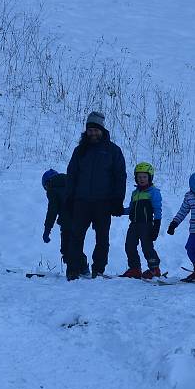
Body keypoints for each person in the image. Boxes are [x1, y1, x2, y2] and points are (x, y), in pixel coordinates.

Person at [65, 111, 127, 280]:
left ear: (102, 130)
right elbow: (72, 175)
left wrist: (117, 200)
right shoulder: (80, 151)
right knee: (76, 236)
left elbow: (120, 176)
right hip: (81, 201)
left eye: (95, 130)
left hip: (103, 203)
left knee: (102, 238)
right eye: (89, 130)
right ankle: (73, 269)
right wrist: (69, 197)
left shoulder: (113, 151)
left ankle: (98, 269)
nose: (92, 133)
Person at [120, 162, 163, 279]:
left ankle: (155, 269)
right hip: (134, 225)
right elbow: (131, 209)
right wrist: (119, 211)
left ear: (150, 177)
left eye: (144, 177)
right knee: (129, 246)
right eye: (139, 177)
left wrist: (156, 226)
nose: (142, 179)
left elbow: (157, 210)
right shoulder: (135, 193)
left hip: (146, 225)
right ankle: (135, 269)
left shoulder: (154, 192)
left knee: (147, 247)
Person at [41, 169, 88, 274]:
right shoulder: (71, 182)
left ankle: (76, 271)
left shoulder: (52, 189)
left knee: (66, 249)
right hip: (82, 219)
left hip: (67, 222)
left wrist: (47, 230)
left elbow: (52, 211)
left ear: (47, 182)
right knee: (75, 245)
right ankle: (82, 268)